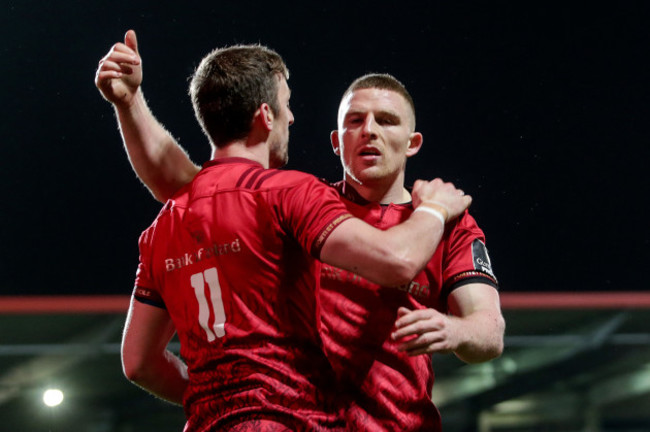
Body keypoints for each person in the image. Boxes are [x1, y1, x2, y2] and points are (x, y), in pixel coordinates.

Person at [96, 31, 473, 432]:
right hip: (288, 421)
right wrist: (434, 208)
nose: (292, 117)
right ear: (266, 115)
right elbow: (396, 261)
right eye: (287, 104)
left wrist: (129, 102)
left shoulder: (160, 230)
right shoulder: (286, 192)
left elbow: (138, 363)